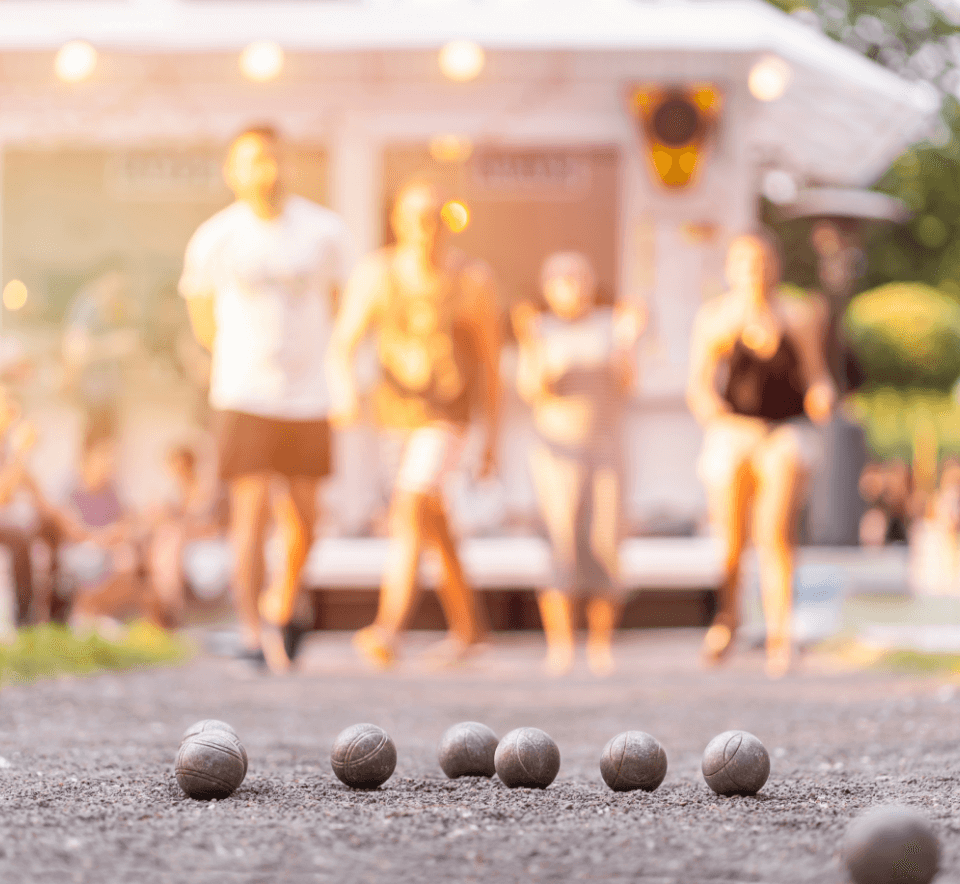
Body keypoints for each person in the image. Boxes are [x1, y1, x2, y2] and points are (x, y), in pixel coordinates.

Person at [179, 125, 350, 673]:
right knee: (249, 513)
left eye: (272, 159)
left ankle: (285, 601)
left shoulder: (323, 231)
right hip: (244, 391)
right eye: (251, 160)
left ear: (286, 164)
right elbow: (203, 319)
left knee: (304, 515)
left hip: (308, 395)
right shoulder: (215, 238)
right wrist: (248, 357)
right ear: (233, 170)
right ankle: (253, 632)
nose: (264, 170)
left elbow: (342, 304)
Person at [327, 181, 501, 669]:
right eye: (415, 217)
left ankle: (388, 629)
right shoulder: (377, 274)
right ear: (398, 222)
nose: (425, 227)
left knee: (410, 505)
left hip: (448, 416)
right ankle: (471, 630)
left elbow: (490, 367)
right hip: (395, 417)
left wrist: (494, 441)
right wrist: (343, 391)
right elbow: (344, 342)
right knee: (434, 520)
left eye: (433, 217)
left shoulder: (470, 280)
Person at [687, 232, 835, 678]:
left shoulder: (799, 314)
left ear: (776, 266)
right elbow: (698, 386)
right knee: (731, 542)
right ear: (732, 269)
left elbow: (815, 375)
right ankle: (727, 619)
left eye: (764, 262)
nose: (756, 271)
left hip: (782, 432)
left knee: (776, 535)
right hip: (734, 430)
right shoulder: (716, 318)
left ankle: (780, 634)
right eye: (747, 263)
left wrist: (822, 396)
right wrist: (712, 413)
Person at [513, 252, 644, 677]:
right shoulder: (540, 329)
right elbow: (532, 389)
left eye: (579, 277)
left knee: (606, 541)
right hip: (557, 452)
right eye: (562, 278)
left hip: (605, 446)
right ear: (548, 287)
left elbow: (628, 384)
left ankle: (602, 646)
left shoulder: (611, 325)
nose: (572, 285)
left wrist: (628, 341)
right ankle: (562, 647)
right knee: (561, 541)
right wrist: (531, 344)